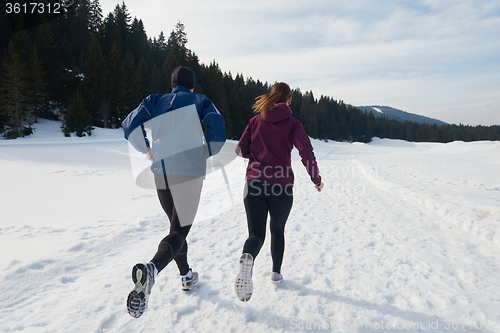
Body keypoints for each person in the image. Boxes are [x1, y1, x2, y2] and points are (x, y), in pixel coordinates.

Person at [122, 66, 226, 318]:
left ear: (172, 84)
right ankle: (152, 269)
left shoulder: (153, 101)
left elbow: (129, 125)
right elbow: (218, 134)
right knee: (179, 230)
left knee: (175, 229)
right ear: (192, 85)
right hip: (188, 171)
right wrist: (205, 152)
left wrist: (145, 148)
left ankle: (186, 275)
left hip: (161, 172)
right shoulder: (201, 101)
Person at [234, 82, 324, 302]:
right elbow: (306, 153)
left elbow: (240, 149)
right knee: (277, 230)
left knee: (256, 235)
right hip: (282, 188)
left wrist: (258, 158)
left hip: (254, 184)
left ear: (271, 97)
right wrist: (317, 180)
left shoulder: (255, 121)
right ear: (289, 100)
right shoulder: (293, 124)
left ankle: (248, 258)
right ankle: (275, 273)